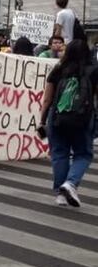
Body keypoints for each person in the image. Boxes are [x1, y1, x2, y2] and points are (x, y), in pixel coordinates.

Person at [40, 39, 98, 207]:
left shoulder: (58, 69)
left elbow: (47, 99)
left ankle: (60, 193)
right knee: (83, 154)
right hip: (83, 118)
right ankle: (71, 183)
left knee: (59, 153)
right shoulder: (94, 70)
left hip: (57, 117)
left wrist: (42, 120)